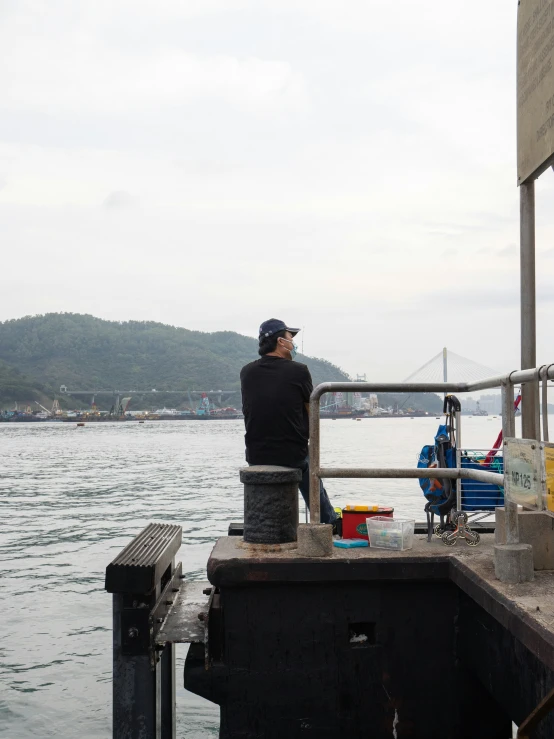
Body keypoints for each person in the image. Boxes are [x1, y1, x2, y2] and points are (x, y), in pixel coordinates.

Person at [240, 318, 339, 530]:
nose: (293, 343)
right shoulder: (299, 370)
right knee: (309, 469)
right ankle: (329, 522)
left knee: (301, 458)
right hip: (291, 455)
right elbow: (310, 411)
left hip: (256, 454)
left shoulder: (246, 372)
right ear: (280, 342)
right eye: (289, 338)